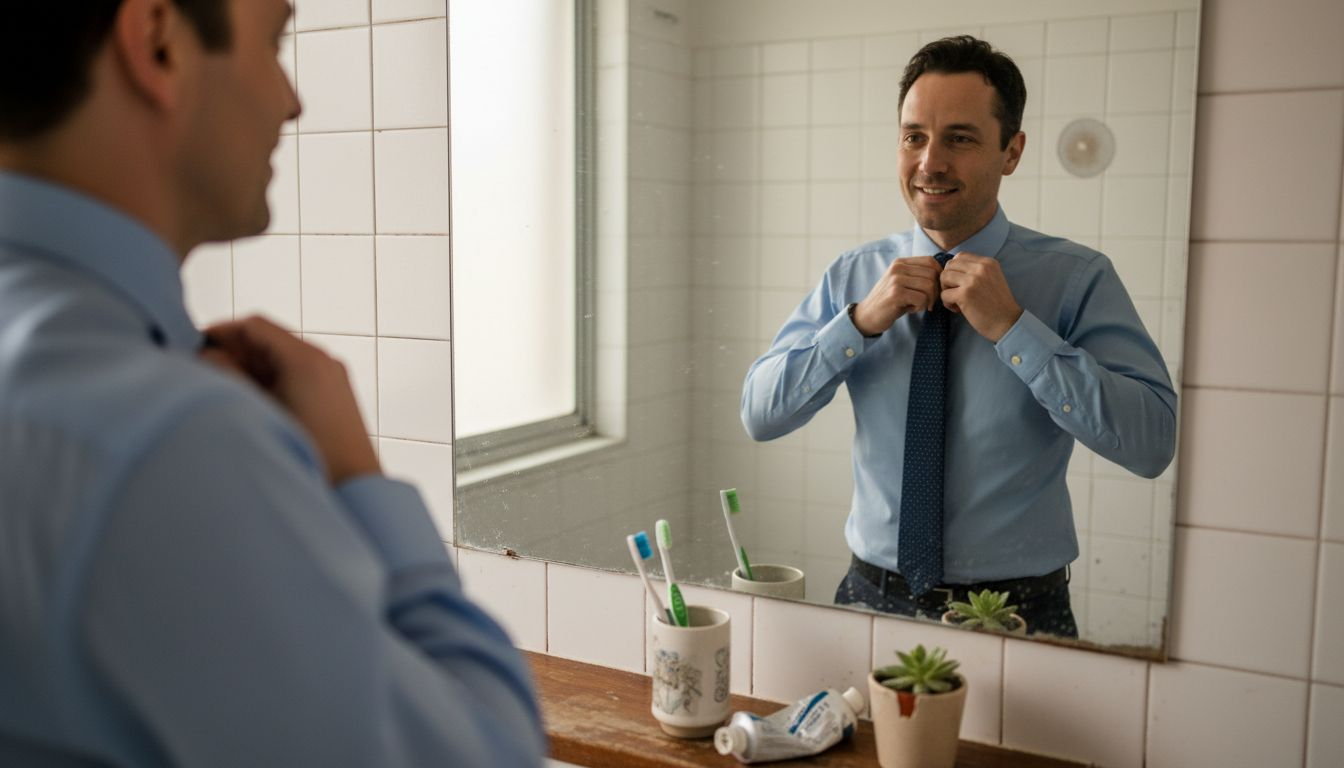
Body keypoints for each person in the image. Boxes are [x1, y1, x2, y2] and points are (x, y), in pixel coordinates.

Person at [0, 1, 544, 765]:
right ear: (157, 42)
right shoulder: (170, 449)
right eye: (275, 40)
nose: (293, 101)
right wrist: (357, 478)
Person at [740, 36, 1177, 638]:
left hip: (1021, 611)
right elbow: (760, 415)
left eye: (960, 138)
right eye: (913, 137)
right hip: (870, 597)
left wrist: (1015, 329)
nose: (930, 163)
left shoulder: (1077, 279)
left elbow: (1152, 444)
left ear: (1011, 151)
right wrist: (858, 324)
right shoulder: (854, 277)